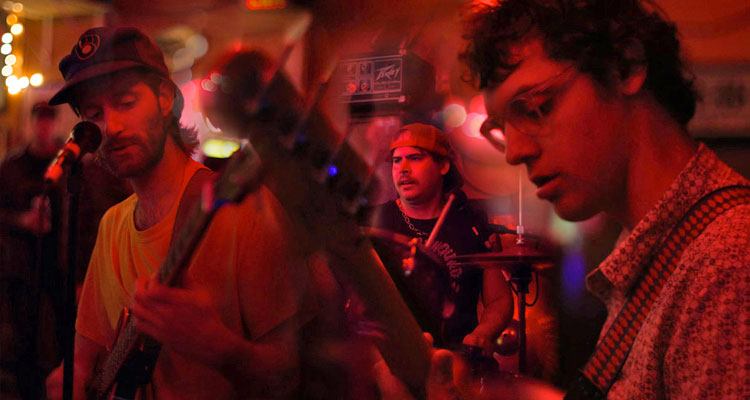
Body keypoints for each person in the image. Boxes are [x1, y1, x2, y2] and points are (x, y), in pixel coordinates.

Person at [458, 0, 750, 398]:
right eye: (501, 129)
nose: (515, 152)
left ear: (623, 67)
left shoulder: (727, 262)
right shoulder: (659, 250)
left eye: (536, 107)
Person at [44, 26, 318, 399]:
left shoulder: (243, 210)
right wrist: (71, 375)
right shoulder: (112, 225)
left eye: (126, 102)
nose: (112, 127)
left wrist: (220, 348)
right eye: (95, 113)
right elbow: (84, 356)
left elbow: (291, 374)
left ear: (164, 97)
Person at [369, 123, 514, 353]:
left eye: (415, 158)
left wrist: (482, 333)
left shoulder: (471, 224)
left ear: (443, 165)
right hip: (394, 356)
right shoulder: (375, 221)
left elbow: (498, 299)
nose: (402, 169)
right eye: (397, 160)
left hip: (458, 359)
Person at [0, 102, 65, 399]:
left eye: (48, 120)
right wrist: (22, 220)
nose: (44, 126)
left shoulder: (68, 164)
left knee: (64, 331)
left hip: (60, 262)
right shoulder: (13, 167)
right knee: (24, 336)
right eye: (39, 120)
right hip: (22, 264)